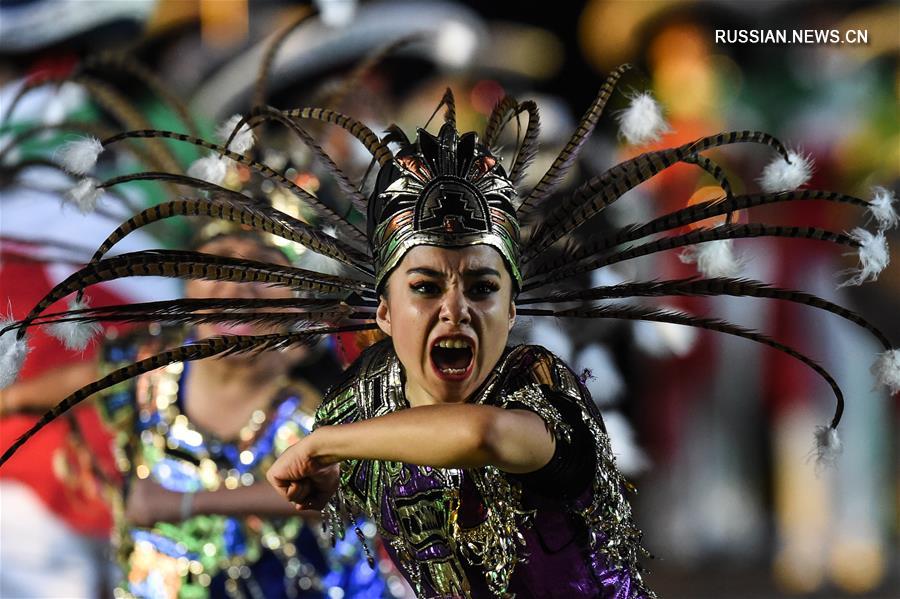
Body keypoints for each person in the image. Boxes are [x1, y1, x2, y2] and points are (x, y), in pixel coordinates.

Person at [0, 56, 895, 599]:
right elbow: (145, 371)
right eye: (426, 286)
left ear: (517, 306)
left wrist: (321, 449)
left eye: (483, 288)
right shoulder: (361, 394)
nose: (455, 310)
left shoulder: (539, 392)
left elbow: (478, 435)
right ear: (382, 310)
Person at [97, 231, 387, 599]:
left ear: (302, 301)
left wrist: (186, 504)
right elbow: (74, 379)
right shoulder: (148, 369)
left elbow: (352, 491)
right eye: (219, 262)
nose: (238, 287)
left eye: (267, 270)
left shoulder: (331, 410)